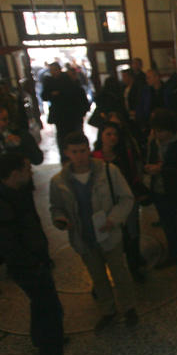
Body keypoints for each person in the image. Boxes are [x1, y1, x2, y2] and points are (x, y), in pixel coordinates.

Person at [0, 154, 78, 355]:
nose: (31, 172)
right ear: (15, 173)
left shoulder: (16, 191)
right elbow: (9, 244)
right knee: (50, 309)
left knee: (40, 304)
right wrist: (34, 263)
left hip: (34, 261)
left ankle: (41, 340)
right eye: (27, 169)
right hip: (28, 266)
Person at [50, 133, 138, 331]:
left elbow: (126, 198)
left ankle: (129, 307)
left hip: (109, 234)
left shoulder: (108, 171)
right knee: (98, 277)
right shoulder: (59, 182)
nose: (80, 156)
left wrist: (113, 219)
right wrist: (60, 220)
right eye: (74, 152)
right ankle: (108, 310)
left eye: (83, 151)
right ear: (66, 153)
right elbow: (56, 207)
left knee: (119, 273)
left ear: (89, 149)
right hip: (84, 237)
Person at [92, 122, 146, 282]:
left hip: (126, 200)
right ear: (101, 135)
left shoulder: (124, 154)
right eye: (108, 134)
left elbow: (132, 174)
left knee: (132, 233)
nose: (112, 138)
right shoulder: (95, 158)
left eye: (115, 134)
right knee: (109, 237)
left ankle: (134, 265)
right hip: (105, 204)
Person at [145, 109, 177, 277]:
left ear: (170, 130)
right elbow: (150, 160)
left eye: (161, 131)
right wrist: (150, 168)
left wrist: (161, 169)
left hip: (176, 192)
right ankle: (173, 254)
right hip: (159, 191)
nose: (158, 134)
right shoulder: (154, 144)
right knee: (168, 226)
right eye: (156, 130)